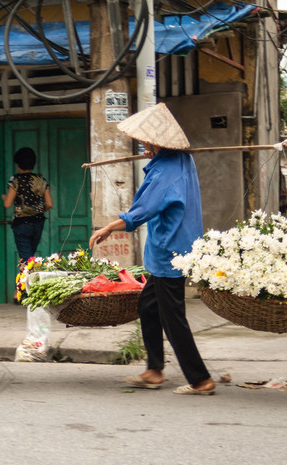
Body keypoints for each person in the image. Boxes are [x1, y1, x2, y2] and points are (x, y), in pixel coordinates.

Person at [88, 103, 216, 395]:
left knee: (173, 318)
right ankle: (154, 370)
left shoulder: (163, 173)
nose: (143, 144)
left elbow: (140, 211)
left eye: (147, 141)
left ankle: (200, 379)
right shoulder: (182, 160)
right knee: (148, 305)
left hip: (169, 251)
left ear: (157, 142)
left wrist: (108, 228)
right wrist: (156, 155)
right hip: (177, 250)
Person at [2, 147, 53, 263]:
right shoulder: (41, 180)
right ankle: (31, 278)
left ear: (18, 164)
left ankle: (28, 280)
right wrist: (40, 210)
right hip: (38, 223)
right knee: (30, 257)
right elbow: (49, 204)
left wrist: (5, 198)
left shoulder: (15, 180)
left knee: (26, 260)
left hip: (22, 224)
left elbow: (8, 204)